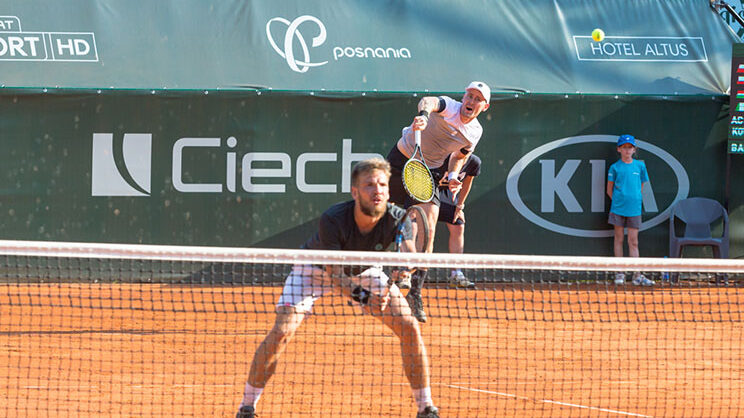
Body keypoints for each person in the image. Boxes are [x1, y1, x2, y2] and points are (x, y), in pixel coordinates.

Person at [236, 158, 440, 418]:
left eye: (382, 185)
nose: (377, 190)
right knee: (281, 331)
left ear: (389, 191)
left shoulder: (400, 219)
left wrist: (405, 267)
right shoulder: (334, 219)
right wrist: (366, 299)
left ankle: (426, 408)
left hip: (364, 269)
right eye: (368, 185)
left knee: (409, 327)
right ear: (355, 192)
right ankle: (247, 406)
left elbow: (409, 252)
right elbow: (335, 276)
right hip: (314, 271)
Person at [387, 81, 490, 323]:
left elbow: (458, 158)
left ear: (484, 106)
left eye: (477, 99)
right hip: (400, 160)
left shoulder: (474, 132)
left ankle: (415, 292)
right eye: (469, 95)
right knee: (384, 219)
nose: (471, 101)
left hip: (429, 173)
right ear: (463, 97)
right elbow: (429, 101)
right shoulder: (449, 106)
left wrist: (454, 176)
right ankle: (372, 274)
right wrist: (423, 116)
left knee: (429, 231)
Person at [606, 134, 655, 286]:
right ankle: (619, 273)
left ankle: (637, 275)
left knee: (633, 242)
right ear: (619, 149)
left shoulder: (640, 166)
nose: (627, 150)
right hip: (618, 209)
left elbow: (640, 187)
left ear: (634, 150)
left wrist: (633, 200)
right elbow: (609, 190)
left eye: (630, 147)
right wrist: (620, 202)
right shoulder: (614, 167)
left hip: (634, 209)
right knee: (618, 239)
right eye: (624, 147)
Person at [437, 153, 482, 288]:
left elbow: (467, 182)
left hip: (449, 196)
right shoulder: (442, 157)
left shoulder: (474, 162)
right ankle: (408, 274)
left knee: (458, 226)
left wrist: (459, 206)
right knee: (419, 227)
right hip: (428, 192)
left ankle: (456, 273)